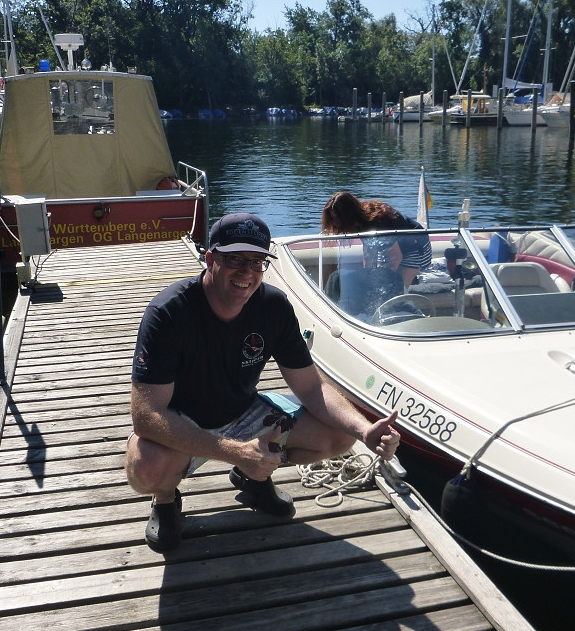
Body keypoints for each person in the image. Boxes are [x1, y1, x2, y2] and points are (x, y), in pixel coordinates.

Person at [126, 212, 401, 552]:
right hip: (184, 419)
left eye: (257, 262)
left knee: (339, 434)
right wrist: (235, 451)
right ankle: (165, 500)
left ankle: (253, 478)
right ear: (210, 258)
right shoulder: (169, 312)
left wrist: (365, 430)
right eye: (235, 260)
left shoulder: (273, 306)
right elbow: (147, 416)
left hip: (243, 410)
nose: (246, 272)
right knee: (146, 467)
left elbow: (312, 387)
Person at [320, 191, 433, 286]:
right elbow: (369, 251)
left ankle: (409, 287)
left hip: (416, 246)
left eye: (335, 219)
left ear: (348, 216)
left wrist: (387, 281)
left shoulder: (377, 224)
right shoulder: (360, 221)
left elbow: (396, 256)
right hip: (391, 244)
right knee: (377, 279)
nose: (334, 223)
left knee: (398, 288)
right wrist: (367, 275)